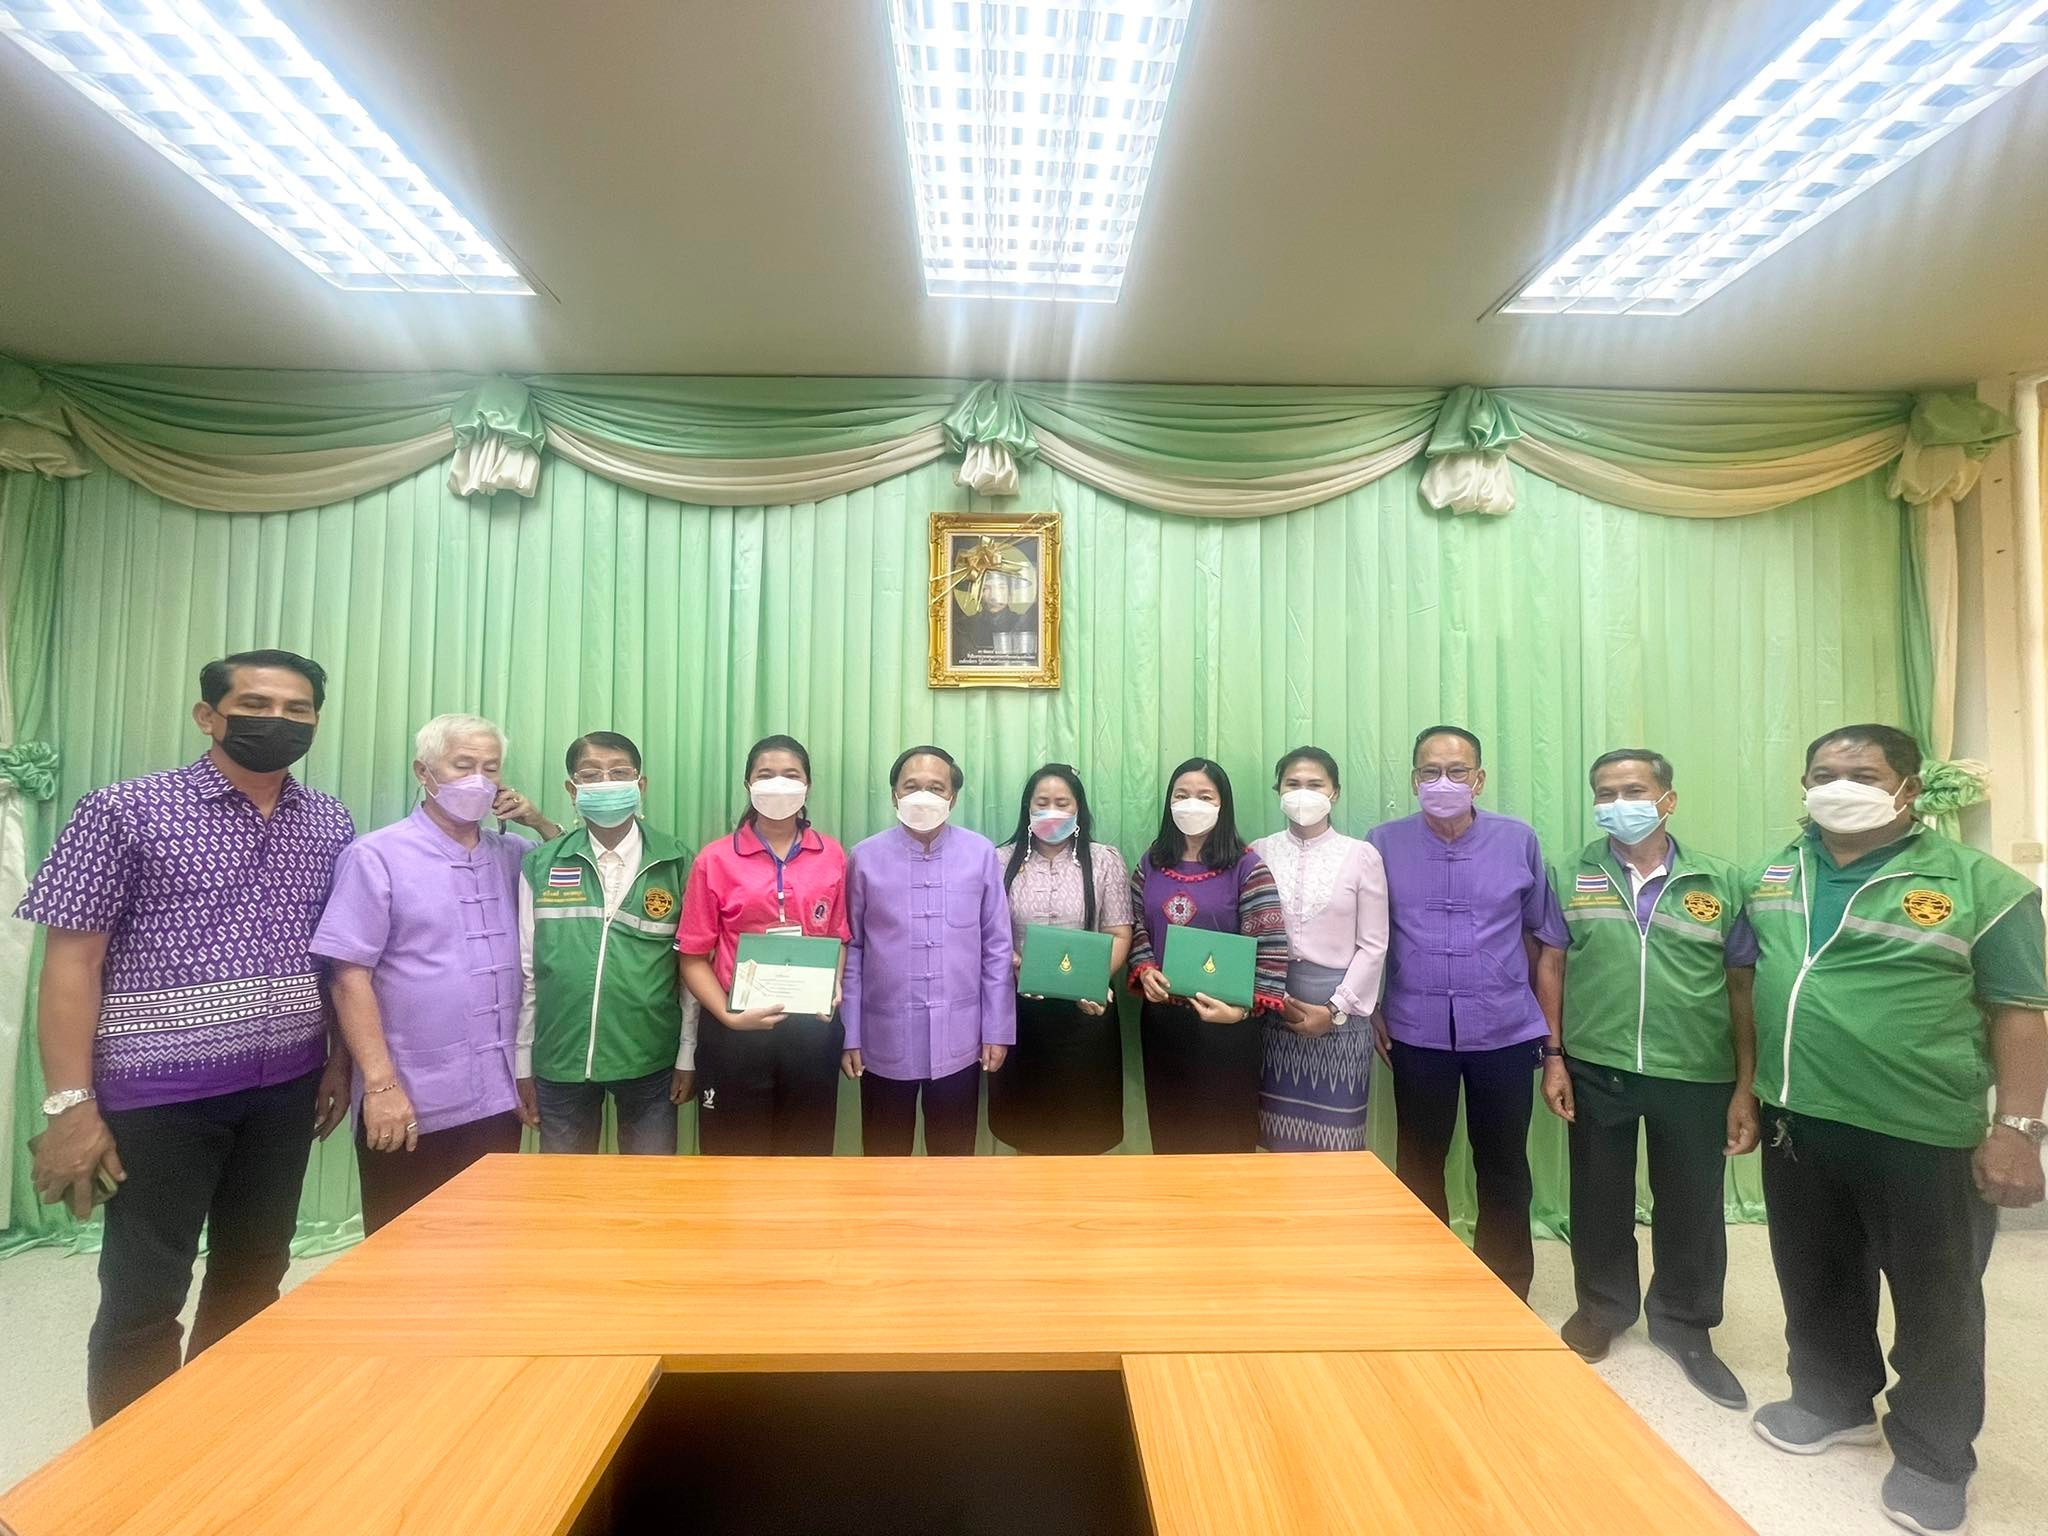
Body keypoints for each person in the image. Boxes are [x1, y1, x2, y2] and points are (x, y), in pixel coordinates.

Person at [17, 649, 355, 1424]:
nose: (278, 721)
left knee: (256, 1271)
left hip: (286, 1089)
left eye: (297, 710)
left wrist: (337, 1060)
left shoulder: (328, 820)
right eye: (256, 705)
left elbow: (334, 952)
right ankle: (134, 1464)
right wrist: (70, 1106)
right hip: (158, 1097)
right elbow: (71, 965)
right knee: (145, 1291)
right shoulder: (124, 810)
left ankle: (216, 1435)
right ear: (209, 716)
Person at [1746, 724, 2047, 1536]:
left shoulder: (1984, 887)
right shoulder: (1777, 871)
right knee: (1815, 1276)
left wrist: (2019, 1128)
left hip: (1921, 1129)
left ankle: (1934, 1457)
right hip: (1799, 1116)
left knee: (1936, 1302)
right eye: (1822, 774)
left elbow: (2022, 1012)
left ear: (1908, 788)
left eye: (1862, 774)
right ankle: (1832, 1400)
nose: (1838, 787)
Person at [1553, 748, 1758, 1409]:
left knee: (1692, 1204)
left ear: (1667, 798)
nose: (1620, 803)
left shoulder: (1720, 882)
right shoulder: (1569, 874)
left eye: (1634, 790)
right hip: (1597, 1063)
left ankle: (1685, 1323)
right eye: (1605, 792)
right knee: (1597, 1198)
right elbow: (1551, 965)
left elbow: (1742, 987)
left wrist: (1745, 1084)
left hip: (1695, 1069)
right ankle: (1602, 1308)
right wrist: (1553, 1055)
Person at [311, 713, 557, 1233]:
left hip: (498, 1096)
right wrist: (379, 1086)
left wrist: (539, 822)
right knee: (404, 1244)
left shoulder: (514, 854)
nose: (478, 780)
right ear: (424, 772)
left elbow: (575, 878)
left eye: (491, 768)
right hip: (409, 1096)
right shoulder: (376, 855)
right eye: (463, 765)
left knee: (489, 1240)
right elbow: (348, 976)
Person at [1367, 726, 1571, 1301]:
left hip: (1503, 1028)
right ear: (1414, 780)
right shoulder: (1382, 843)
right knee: (1419, 1161)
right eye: (1430, 772)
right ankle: (1424, 1281)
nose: (1444, 782)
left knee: (1504, 1164)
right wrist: (1373, 1004)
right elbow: (1366, 933)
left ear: (1479, 779)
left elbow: (1545, 939)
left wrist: (1551, 1045)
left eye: (1457, 771)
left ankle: (1506, 1288)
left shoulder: (1518, 840)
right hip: (1416, 1029)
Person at [515, 731, 696, 1156]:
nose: (606, 783)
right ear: (572, 789)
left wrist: (687, 1054)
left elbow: (690, 970)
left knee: (649, 1187)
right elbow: (528, 971)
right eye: (591, 775)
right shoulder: (541, 864)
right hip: (561, 1057)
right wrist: (523, 1061)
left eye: (619, 773)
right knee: (565, 1189)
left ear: (641, 785)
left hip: (649, 1059)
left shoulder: (676, 861)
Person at [678, 734, 851, 1155]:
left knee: (806, 1159)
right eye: (766, 774)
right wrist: (729, 1017)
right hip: (734, 1033)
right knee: (733, 1161)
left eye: (791, 775)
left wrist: (833, 984)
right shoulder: (714, 859)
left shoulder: (831, 855)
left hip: (811, 1031)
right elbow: (693, 957)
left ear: (807, 785)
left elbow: (838, 937)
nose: (778, 784)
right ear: (748, 785)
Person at [842, 746, 1014, 1155]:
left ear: (952, 798)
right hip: (883, 1039)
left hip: (961, 1039)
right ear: (894, 795)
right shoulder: (864, 857)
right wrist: (850, 1033)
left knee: (953, 1167)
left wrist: (997, 1029)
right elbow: (853, 949)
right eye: (911, 786)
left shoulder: (980, 853)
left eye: (936, 788)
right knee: (883, 1163)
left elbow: (997, 946)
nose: (923, 796)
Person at [1126, 758, 1289, 1153]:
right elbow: (1134, 922)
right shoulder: (1151, 862)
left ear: (1222, 804)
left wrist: (1241, 1010)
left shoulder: (1247, 867)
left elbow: (1270, 945)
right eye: (1181, 795)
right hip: (1163, 1022)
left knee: (1225, 1145)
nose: (1191, 804)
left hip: (1226, 1026)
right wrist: (1145, 969)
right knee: (1170, 1138)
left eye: (1204, 796)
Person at [989, 763, 1133, 1154]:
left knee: (1084, 1133)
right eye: (1042, 802)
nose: (1051, 811)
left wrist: (1089, 979)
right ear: (1027, 808)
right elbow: (988, 935)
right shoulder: (998, 861)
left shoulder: (1104, 860)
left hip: (1087, 1011)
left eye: (1062, 803)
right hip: (1020, 1010)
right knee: (1027, 1131)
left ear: (1078, 809)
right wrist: (1015, 964)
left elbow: (1119, 934)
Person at [1250, 747, 1388, 1153]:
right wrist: (1271, 995)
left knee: (1336, 1142)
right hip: (1273, 1008)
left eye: (1315, 785)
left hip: (1341, 1013)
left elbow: (1374, 945)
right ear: (1278, 791)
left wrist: (1334, 1010)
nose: (1303, 793)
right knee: (1275, 1138)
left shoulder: (1361, 856)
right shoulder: (1257, 852)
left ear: (1335, 793)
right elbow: (1249, 931)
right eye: (1292, 784)